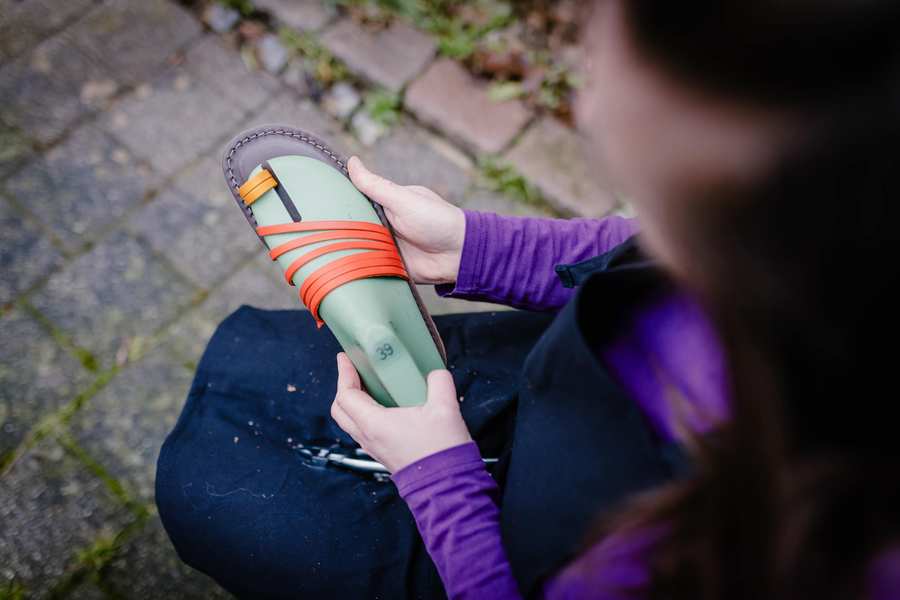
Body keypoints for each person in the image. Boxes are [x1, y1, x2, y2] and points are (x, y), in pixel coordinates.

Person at [157, 1, 900, 598]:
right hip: (552, 389)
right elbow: (637, 251)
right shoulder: (829, 246)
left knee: (209, 492)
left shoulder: (784, 557)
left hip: (490, 550)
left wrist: (440, 479)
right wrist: (479, 249)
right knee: (260, 375)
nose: (588, 105)